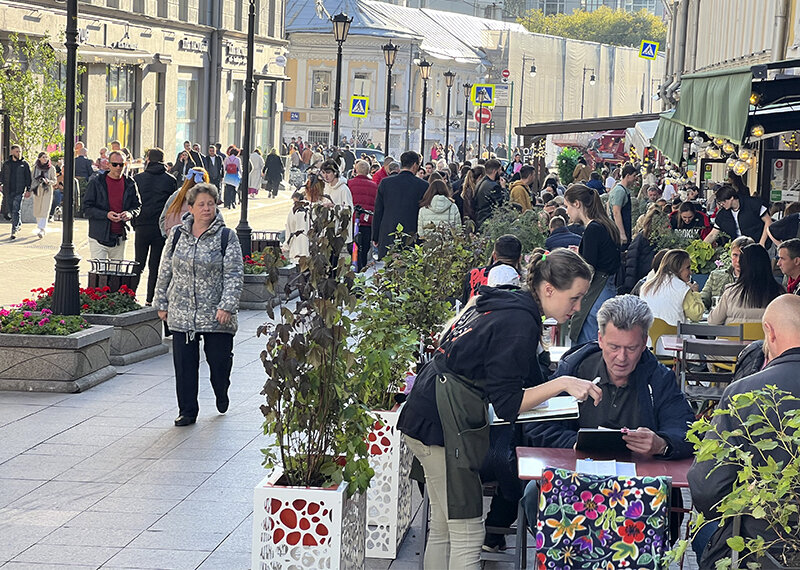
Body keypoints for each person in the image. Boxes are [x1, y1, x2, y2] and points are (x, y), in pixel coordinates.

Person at [397, 249, 601, 570]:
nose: (577, 308)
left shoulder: (508, 303)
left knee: (442, 529)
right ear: (549, 289)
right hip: (443, 423)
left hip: (424, 412)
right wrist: (563, 384)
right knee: (466, 533)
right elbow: (508, 405)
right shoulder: (520, 320)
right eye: (574, 298)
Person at [522, 294, 696, 528]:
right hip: (575, 481)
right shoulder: (574, 370)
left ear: (644, 342)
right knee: (535, 494)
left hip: (640, 487)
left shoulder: (659, 379)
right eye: (614, 347)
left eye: (631, 348)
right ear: (600, 339)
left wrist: (662, 443)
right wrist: (575, 443)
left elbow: (687, 431)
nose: (621, 358)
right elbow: (537, 425)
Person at [688, 295, 800, 567]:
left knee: (702, 535)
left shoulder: (745, 392)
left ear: (769, 333)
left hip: (761, 549)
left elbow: (706, 489)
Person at [154, 183, 243, 427]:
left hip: (216, 313)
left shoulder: (227, 237)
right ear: (190, 208)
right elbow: (165, 269)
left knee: (219, 362)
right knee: (184, 365)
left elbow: (234, 274)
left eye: (211, 204)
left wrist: (226, 306)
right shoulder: (177, 235)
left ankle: (221, 390)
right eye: (201, 204)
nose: (206, 209)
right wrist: (161, 301)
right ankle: (187, 411)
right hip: (182, 311)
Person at [564, 184, 621, 344]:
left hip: (597, 291)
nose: (567, 211)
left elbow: (588, 267)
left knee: (589, 345)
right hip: (607, 287)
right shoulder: (604, 225)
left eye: (567, 206)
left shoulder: (593, 229)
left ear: (577, 204)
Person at [133, 148, 178, 305]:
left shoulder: (138, 178)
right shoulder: (170, 180)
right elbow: (172, 206)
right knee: (155, 265)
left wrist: (134, 222)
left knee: (138, 263)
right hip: (159, 227)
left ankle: (130, 295)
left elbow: (133, 202)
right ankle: (150, 299)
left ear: (148, 160)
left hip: (141, 224)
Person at [640, 249, 704, 352]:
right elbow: (696, 315)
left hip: (649, 347)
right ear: (678, 268)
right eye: (688, 268)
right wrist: (695, 293)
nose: (690, 272)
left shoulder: (646, 286)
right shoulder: (682, 288)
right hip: (676, 349)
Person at [83, 150, 141, 259]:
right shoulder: (96, 182)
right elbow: (86, 208)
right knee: (100, 273)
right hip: (99, 235)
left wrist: (129, 214)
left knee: (117, 273)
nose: (118, 167)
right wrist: (106, 214)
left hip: (120, 236)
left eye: (121, 164)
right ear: (108, 165)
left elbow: (137, 206)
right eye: (115, 164)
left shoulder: (130, 183)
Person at [708, 244, 784, 325]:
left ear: (743, 266)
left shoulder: (731, 293)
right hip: (766, 337)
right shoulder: (780, 294)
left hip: (732, 337)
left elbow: (713, 321)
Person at [372, 151, 428, 258]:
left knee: (389, 268)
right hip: (412, 233)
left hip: (388, 232)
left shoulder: (385, 183)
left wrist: (375, 236)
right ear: (415, 165)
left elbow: (378, 210)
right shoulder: (423, 185)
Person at [460, 235, 522, 305]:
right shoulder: (523, 280)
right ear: (520, 258)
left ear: (494, 256)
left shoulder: (473, 274)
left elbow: (464, 307)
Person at [704, 183, 772, 246]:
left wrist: (761, 243)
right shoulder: (722, 214)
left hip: (759, 243)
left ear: (731, 198)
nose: (722, 204)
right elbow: (713, 234)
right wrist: (701, 247)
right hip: (736, 247)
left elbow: (768, 221)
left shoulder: (753, 203)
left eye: (723, 201)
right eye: (720, 203)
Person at [700, 235, 754, 309]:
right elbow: (703, 299)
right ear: (730, 254)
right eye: (735, 255)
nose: (738, 260)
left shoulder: (757, 279)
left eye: (743, 256)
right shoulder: (716, 275)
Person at [621, 205, 662, 294]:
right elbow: (632, 260)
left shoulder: (643, 237)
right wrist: (629, 285)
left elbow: (631, 260)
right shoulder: (642, 237)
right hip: (644, 278)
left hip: (647, 277)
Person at [160, 168, 210, 237]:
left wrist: (168, 235)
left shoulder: (177, 195)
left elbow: (163, 218)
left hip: (177, 240)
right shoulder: (208, 198)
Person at [348, 160, 378, 270]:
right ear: (369, 171)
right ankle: (362, 269)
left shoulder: (349, 183)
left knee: (353, 247)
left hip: (353, 221)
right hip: (367, 222)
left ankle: (354, 268)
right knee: (364, 248)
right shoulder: (374, 186)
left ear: (356, 170)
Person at [1, 145, 32, 239]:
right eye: (17, 151)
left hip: (19, 190)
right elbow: (2, 175)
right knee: (10, 209)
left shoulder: (24, 164)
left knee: (16, 209)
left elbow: (28, 177)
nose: (19, 153)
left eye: (20, 151)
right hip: (8, 190)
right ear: (12, 152)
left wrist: (28, 189)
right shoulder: (6, 164)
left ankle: (14, 229)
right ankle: (18, 223)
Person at [608, 163, 637, 246]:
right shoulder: (620, 191)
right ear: (628, 176)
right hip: (619, 232)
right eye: (634, 176)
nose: (635, 179)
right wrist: (622, 234)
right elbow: (616, 212)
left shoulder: (621, 189)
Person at [30, 152, 57, 239]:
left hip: (47, 190)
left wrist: (48, 181)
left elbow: (54, 180)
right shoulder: (35, 168)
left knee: (45, 209)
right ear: (39, 158)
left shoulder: (51, 168)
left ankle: (42, 228)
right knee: (37, 209)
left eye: (46, 157)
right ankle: (40, 226)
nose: (45, 159)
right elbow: (32, 178)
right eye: (43, 157)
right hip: (37, 189)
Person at [473, 159, 506, 228]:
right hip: (488, 220)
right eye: (499, 170)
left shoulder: (481, 182)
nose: (501, 172)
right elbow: (503, 203)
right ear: (494, 171)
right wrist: (503, 188)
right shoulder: (494, 186)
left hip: (479, 219)